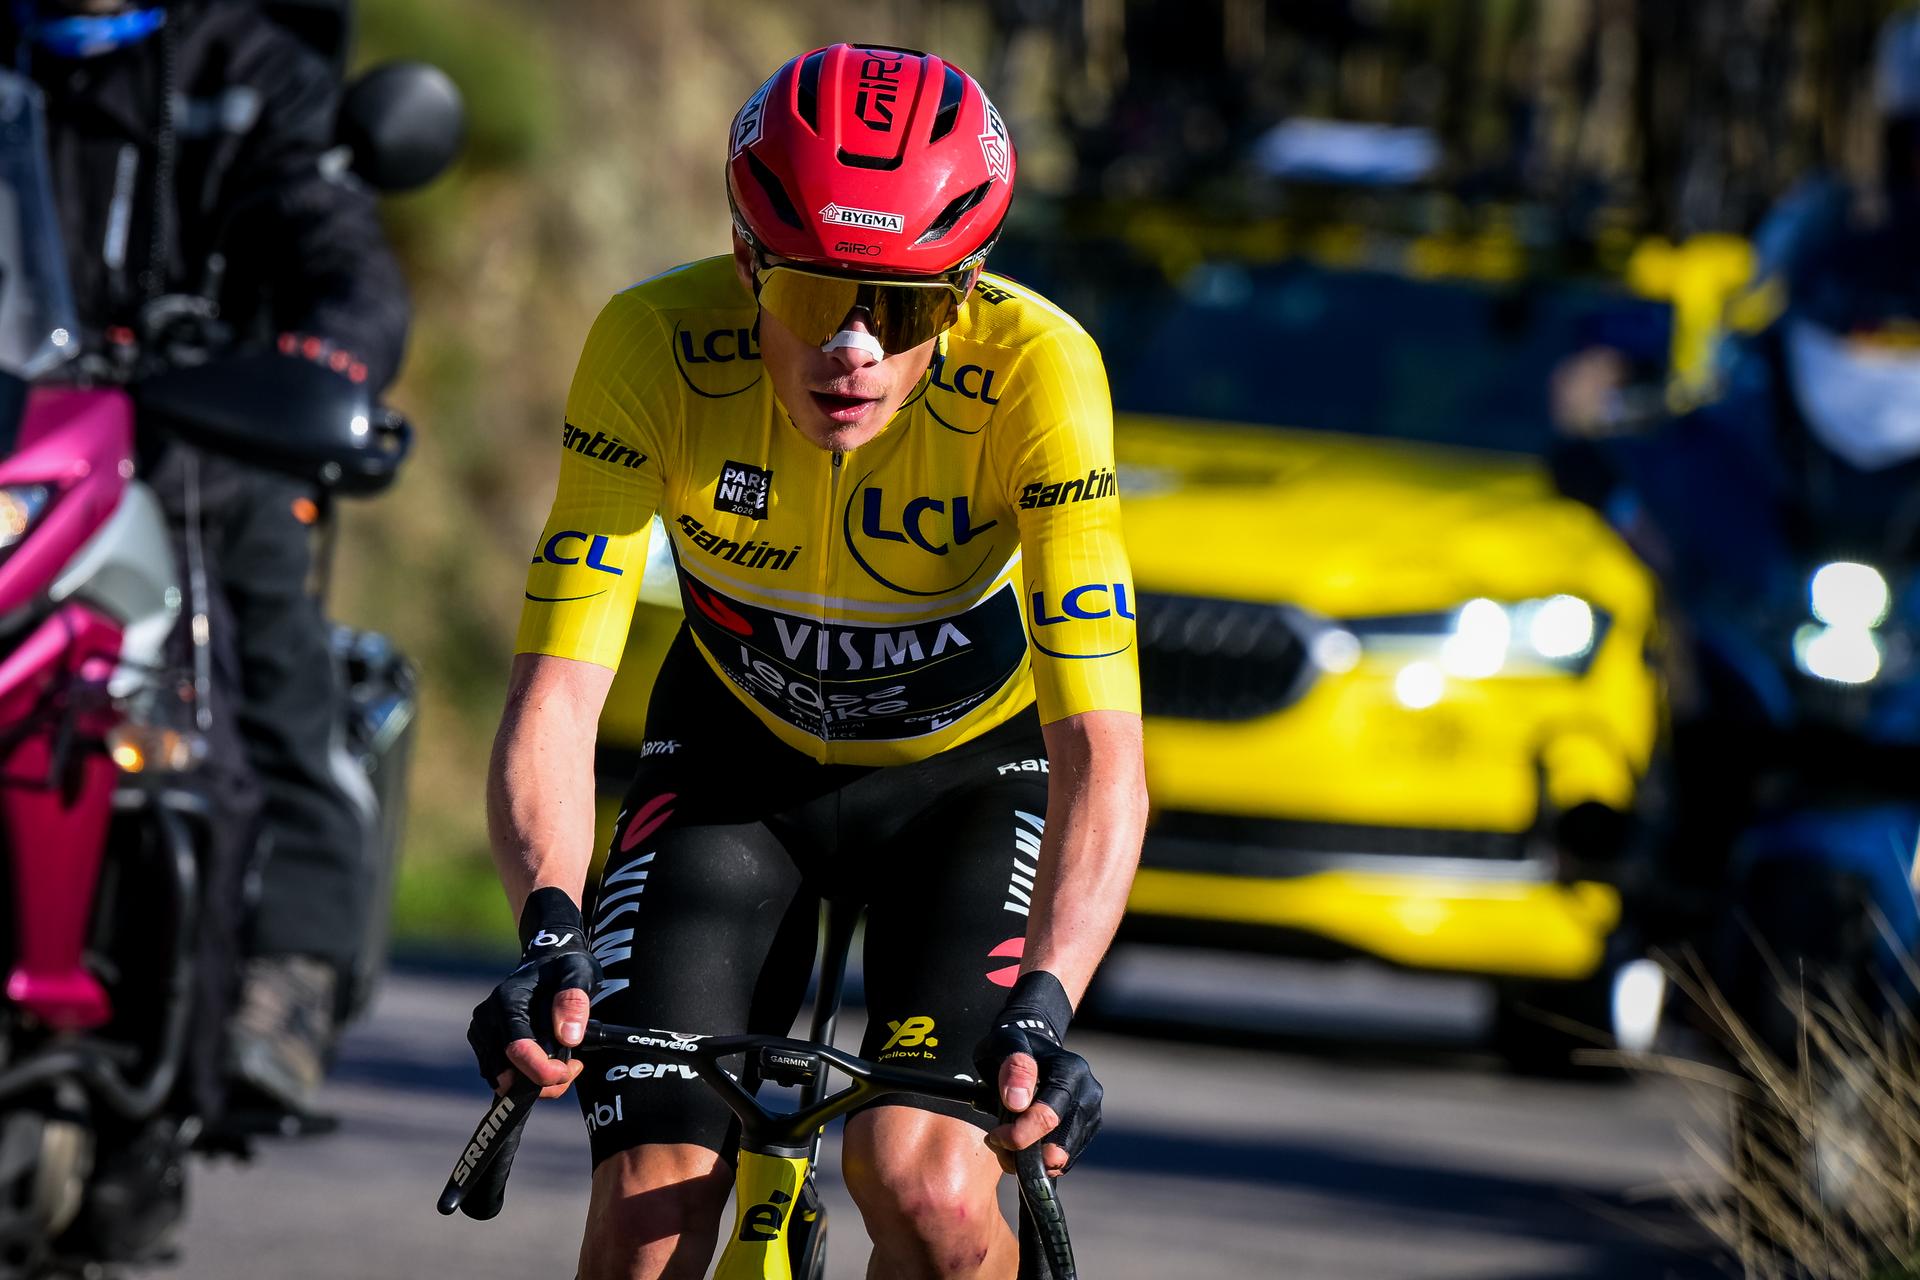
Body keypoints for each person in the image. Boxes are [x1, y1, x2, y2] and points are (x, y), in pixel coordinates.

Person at [467, 43, 1147, 1280]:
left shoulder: (1042, 375)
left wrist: (1049, 1001)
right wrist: (549, 930)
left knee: (931, 1190)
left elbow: (1099, 748)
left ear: (969, 285)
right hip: (733, 769)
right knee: (647, 1212)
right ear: (745, 263)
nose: (853, 348)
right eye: (810, 294)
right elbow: (558, 693)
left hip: (963, 787)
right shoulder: (651, 346)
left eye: (904, 306)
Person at [4, 0, 410, 1114]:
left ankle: (286, 970)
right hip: (29, 434)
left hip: (211, 435)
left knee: (261, 666)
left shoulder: (250, 69)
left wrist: (325, 363)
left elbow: (343, 258)